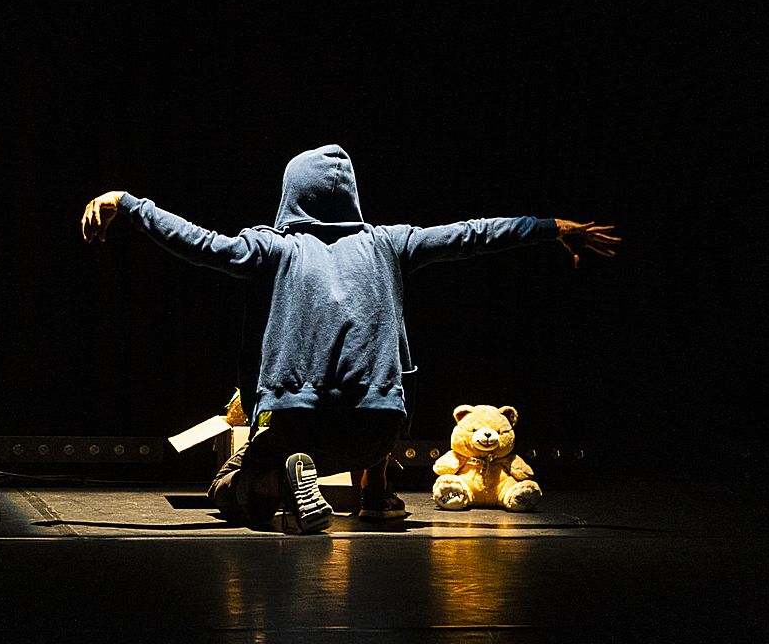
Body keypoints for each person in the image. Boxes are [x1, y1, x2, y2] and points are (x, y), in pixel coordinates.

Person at [80, 144, 618, 533]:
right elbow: (472, 234)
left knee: (228, 487)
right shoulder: (390, 243)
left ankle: (278, 484)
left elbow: (200, 244)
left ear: (292, 194)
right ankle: (376, 493)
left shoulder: (274, 247)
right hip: (376, 433)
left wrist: (127, 202)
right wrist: (550, 226)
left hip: (300, 427)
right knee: (382, 374)